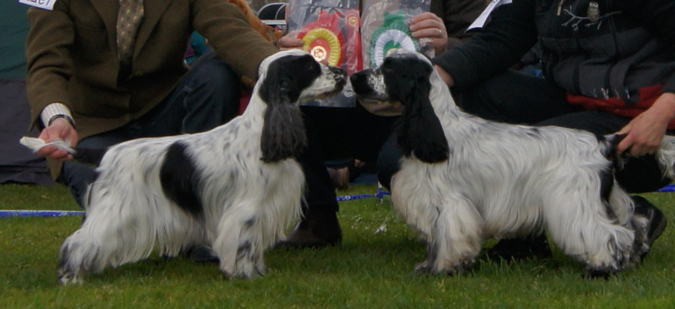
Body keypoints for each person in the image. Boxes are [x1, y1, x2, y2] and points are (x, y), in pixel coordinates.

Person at [379, 0, 675, 260]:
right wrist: (425, 82)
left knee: (535, 154)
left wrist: (660, 114)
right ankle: (525, 233)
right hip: (574, 107)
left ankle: (626, 216)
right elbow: (499, 41)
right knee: (485, 91)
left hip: (642, 123)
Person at [25, 0, 279, 208]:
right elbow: (46, 63)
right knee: (111, 202)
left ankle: (202, 205)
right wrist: (58, 118)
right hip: (92, 126)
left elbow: (230, 31)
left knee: (216, 75)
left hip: (164, 111)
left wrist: (282, 67)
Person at [277, 0, 489, 248]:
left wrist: (446, 45)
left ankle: (443, 222)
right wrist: (287, 46)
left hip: (410, 112)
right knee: (284, 118)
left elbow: (487, 42)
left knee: (396, 164)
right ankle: (316, 217)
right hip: (330, 106)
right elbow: (286, 43)